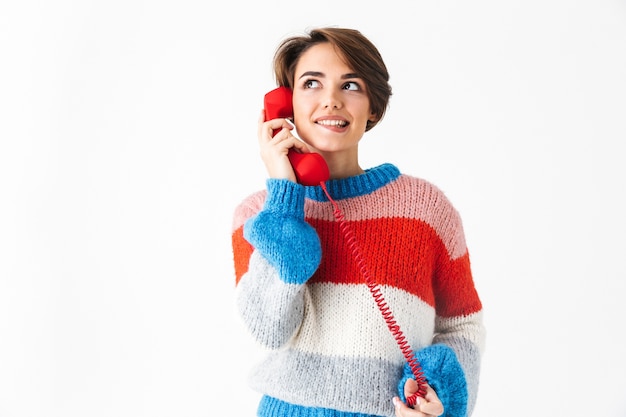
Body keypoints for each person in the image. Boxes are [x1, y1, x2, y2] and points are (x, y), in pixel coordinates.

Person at [231, 27, 485, 417]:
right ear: (285, 104)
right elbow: (270, 329)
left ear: (374, 108)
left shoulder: (427, 209)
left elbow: (462, 328)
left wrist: (442, 399)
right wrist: (284, 197)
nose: (330, 100)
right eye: (311, 83)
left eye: (350, 85)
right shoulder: (257, 215)